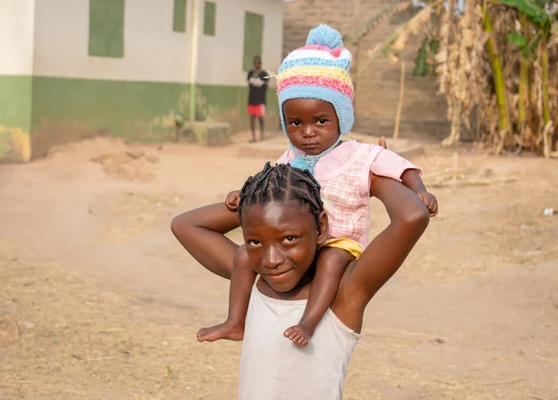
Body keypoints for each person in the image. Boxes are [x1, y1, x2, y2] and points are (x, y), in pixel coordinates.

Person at [194, 24, 439, 347]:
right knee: (242, 255)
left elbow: (401, 167)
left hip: (340, 243)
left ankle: (308, 323)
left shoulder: (361, 155)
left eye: (320, 121)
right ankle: (235, 321)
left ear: (342, 118)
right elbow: (269, 186)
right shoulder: (290, 157)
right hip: (298, 245)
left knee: (331, 261)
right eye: (295, 123)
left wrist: (419, 189)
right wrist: (243, 193)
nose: (307, 132)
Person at [170, 162, 430, 399]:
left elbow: (412, 217)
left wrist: (369, 177)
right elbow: (184, 225)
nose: (271, 259)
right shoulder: (257, 281)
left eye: (289, 239)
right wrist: (260, 197)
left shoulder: (343, 293)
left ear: (321, 227)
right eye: (255, 241)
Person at [247, 55, 269, 142]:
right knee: (252, 118)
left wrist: (258, 83)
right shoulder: (250, 73)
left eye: (258, 63)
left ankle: (262, 133)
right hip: (251, 100)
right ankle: (253, 137)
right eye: (255, 63)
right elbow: (249, 84)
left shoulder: (264, 74)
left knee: (260, 118)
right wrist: (259, 83)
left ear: (260, 63)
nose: (257, 64)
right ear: (253, 64)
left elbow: (265, 86)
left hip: (261, 100)